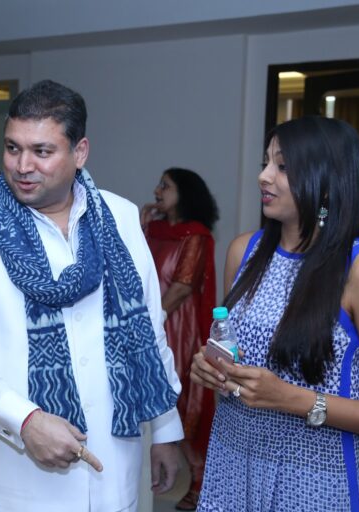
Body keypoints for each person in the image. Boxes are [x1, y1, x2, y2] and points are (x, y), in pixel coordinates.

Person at [0, 79, 184, 512]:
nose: (23, 165)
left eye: (42, 151)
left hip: (109, 474)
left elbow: (150, 330)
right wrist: (23, 419)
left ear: (79, 152)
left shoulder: (120, 217)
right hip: (1, 483)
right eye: (12, 148)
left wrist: (167, 430)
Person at [190, 116, 359, 511]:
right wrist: (211, 367)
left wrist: (292, 399)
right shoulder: (243, 252)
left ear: (326, 179)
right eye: (266, 162)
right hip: (233, 459)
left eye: (283, 166)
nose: (264, 176)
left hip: (315, 474)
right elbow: (229, 348)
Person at [140, 167, 219, 511]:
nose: (158, 191)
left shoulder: (196, 235)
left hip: (178, 328)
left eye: (166, 186)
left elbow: (183, 285)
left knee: (184, 401)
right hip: (153, 323)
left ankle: (200, 479)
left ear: (183, 194)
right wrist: (142, 225)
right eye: (158, 184)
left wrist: (153, 318)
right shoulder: (154, 230)